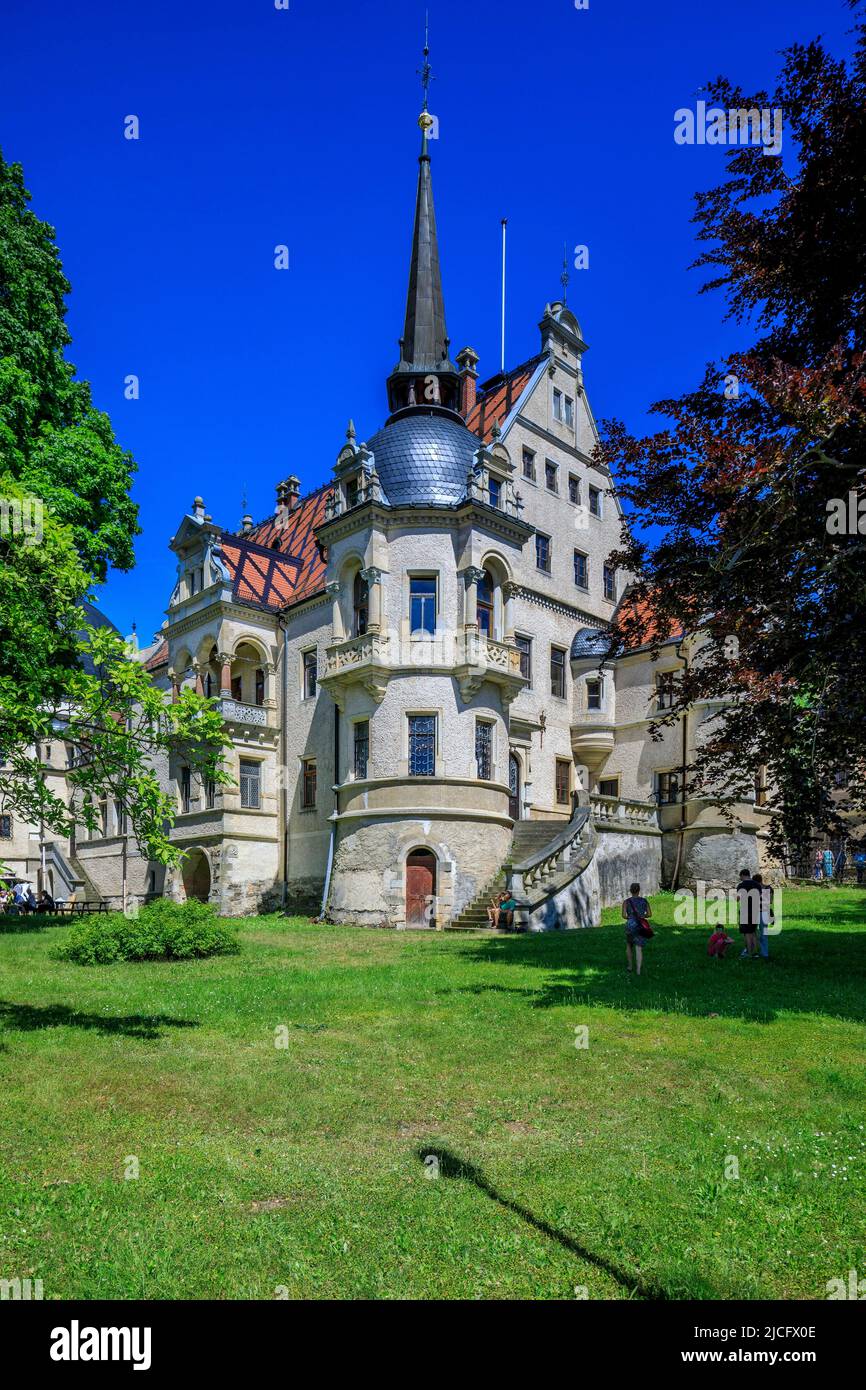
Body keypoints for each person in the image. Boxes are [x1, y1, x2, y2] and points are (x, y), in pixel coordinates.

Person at [622, 881, 652, 975]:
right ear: (639, 891)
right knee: (638, 948)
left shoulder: (626, 902)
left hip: (630, 925)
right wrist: (642, 916)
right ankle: (638, 971)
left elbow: (623, 915)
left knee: (629, 946)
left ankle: (630, 966)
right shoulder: (644, 901)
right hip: (640, 925)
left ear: (630, 891)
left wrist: (630, 917)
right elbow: (650, 914)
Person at [736, 869, 759, 958]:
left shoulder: (741, 885)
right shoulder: (757, 884)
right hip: (755, 910)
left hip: (745, 911)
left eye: (740, 877)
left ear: (742, 875)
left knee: (747, 933)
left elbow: (738, 898)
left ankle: (748, 953)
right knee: (753, 932)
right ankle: (755, 952)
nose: (740, 878)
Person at [752, 872, 773, 960]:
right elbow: (770, 901)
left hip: (755, 912)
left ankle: (753, 951)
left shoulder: (754, 889)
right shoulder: (769, 888)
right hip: (765, 913)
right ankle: (765, 953)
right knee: (764, 934)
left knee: (752, 933)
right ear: (761, 880)